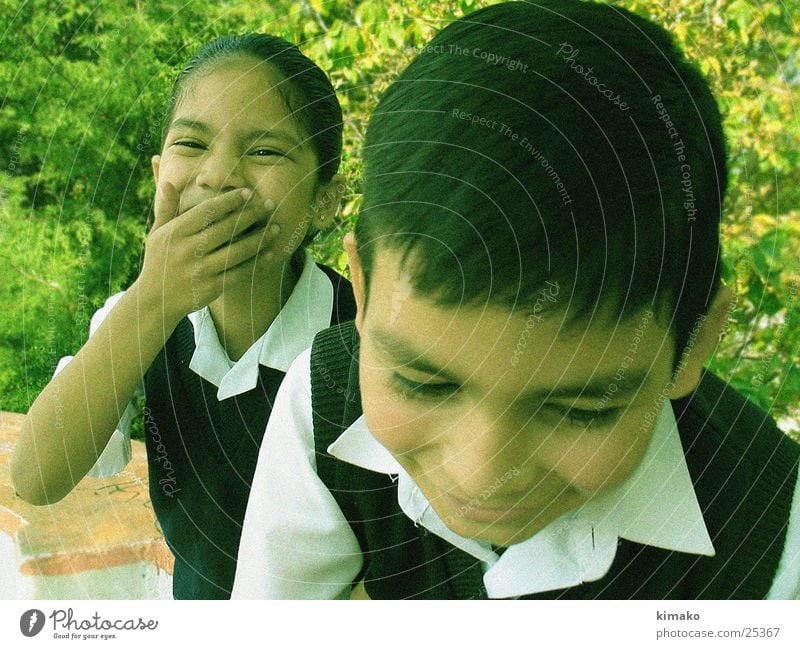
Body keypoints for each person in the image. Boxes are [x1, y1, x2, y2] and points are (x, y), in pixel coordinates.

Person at [232, 1, 800, 599]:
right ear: (365, 293)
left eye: (582, 410)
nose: (481, 477)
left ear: (692, 348)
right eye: (422, 383)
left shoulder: (774, 545)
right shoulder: (323, 397)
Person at [12, 33, 356, 599]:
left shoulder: (368, 340)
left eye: (265, 151)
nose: (217, 176)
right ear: (156, 175)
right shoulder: (142, 317)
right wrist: (154, 300)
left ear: (325, 199)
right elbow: (37, 477)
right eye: (192, 144)